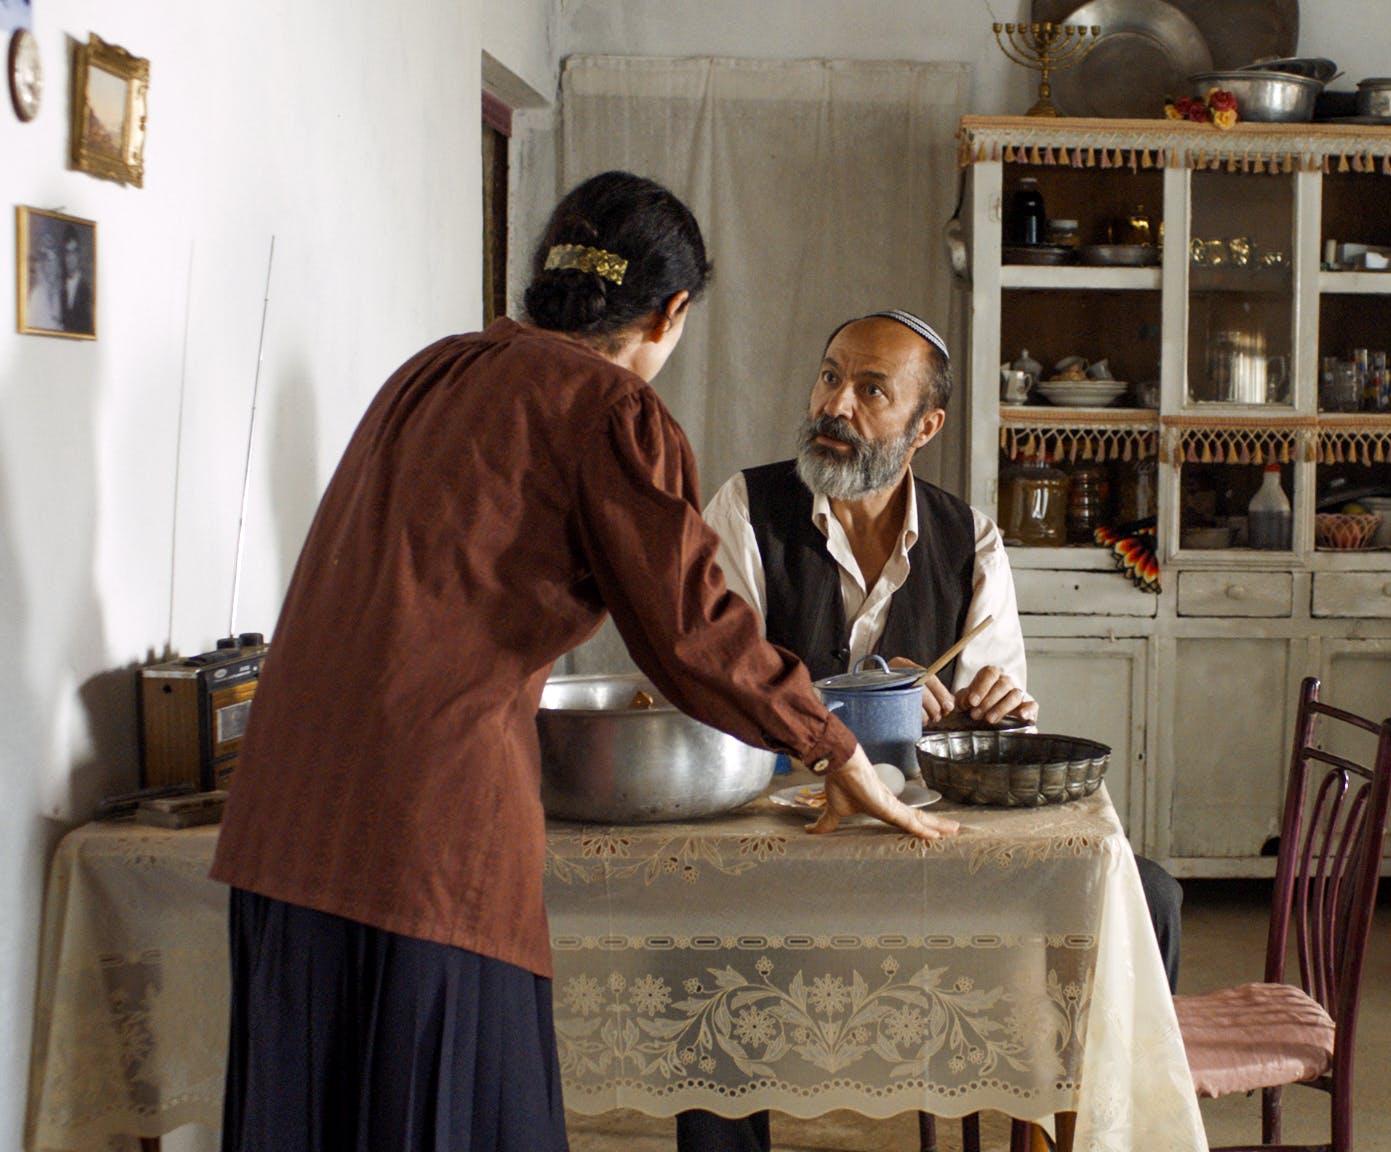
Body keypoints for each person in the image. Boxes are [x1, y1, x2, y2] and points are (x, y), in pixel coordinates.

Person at [208, 172, 956, 1152]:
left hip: (278, 818)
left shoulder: (430, 370)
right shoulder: (605, 408)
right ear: (672, 311)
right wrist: (832, 746)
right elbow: (691, 632)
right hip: (423, 835)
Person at [685, 310, 1184, 1152]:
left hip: (933, 846)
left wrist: (995, 707)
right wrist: (858, 709)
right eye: (829, 375)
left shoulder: (971, 538)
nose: (835, 404)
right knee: (697, 936)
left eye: (871, 389)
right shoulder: (745, 508)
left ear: (926, 426)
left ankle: (1079, 1129)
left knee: (1151, 894)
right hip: (790, 838)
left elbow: (1009, 727)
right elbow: (714, 686)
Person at [24, 226, 61, 332]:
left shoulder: (59, 293)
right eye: (48, 262)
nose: (51, 268)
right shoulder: (36, 294)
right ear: (42, 265)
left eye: (54, 261)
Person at [58, 225, 91, 334]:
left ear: (79, 255)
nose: (70, 258)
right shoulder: (59, 287)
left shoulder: (86, 289)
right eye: (67, 253)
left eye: (73, 252)